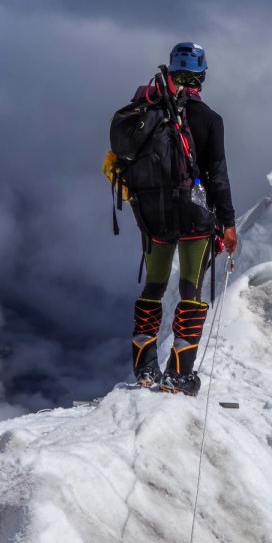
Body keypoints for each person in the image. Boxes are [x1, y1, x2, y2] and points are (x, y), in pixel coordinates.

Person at [103, 42, 238, 395]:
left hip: (152, 214)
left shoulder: (143, 112)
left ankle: (146, 370)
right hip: (193, 215)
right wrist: (228, 223)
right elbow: (217, 177)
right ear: (201, 76)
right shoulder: (209, 120)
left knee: (154, 285)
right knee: (190, 289)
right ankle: (179, 375)